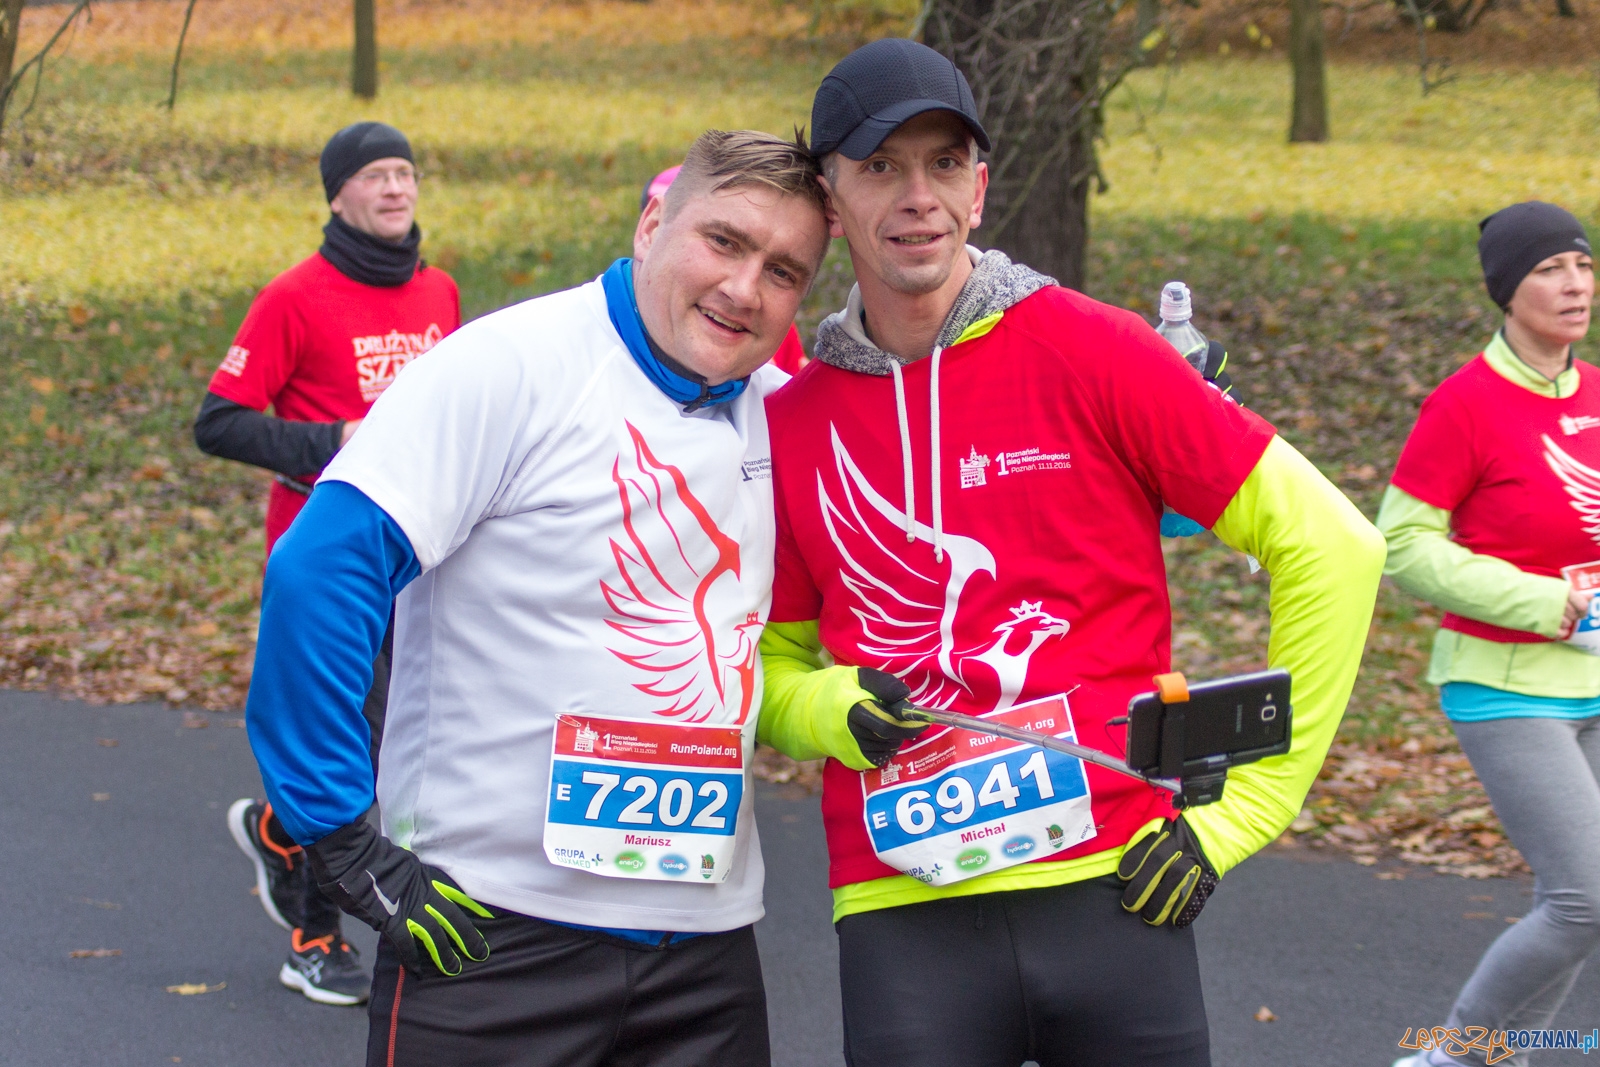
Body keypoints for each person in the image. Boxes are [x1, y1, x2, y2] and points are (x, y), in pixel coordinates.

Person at [754, 38, 1386, 1065]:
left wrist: (1244, 812)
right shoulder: (791, 422)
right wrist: (821, 706)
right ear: (829, 199)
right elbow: (772, 668)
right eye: (879, 167)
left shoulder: (1096, 349)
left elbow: (1335, 546)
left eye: (944, 163)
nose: (918, 196)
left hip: (1115, 886)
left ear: (980, 186)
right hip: (901, 907)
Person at [245, 129, 829, 1064]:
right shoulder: (508, 365)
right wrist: (342, 839)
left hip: (704, 946)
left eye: (784, 270)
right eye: (723, 241)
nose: (744, 287)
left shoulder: (780, 406)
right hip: (490, 934)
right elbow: (319, 571)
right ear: (653, 222)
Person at [194, 120, 460, 1006]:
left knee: (386, 742)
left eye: (405, 173)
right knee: (340, 743)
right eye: (376, 175)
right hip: (322, 566)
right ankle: (313, 938)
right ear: (338, 194)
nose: (396, 188)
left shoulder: (439, 292)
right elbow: (218, 421)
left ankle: (280, 831)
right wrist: (333, 441)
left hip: (415, 553)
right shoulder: (294, 298)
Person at [1383, 202, 1600, 1067]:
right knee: (1586, 896)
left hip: (1596, 677)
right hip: (1505, 682)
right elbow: (1404, 543)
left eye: (1583, 265)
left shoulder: (1596, 392)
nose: (1575, 285)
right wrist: (1551, 603)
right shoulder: (1465, 404)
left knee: (1579, 902)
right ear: (1508, 290)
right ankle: (1450, 1057)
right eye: (1550, 269)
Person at [644, 163, 809, 375]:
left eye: (780, 272)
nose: (743, 293)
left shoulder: (775, 337)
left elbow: (794, 371)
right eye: (722, 242)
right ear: (652, 228)